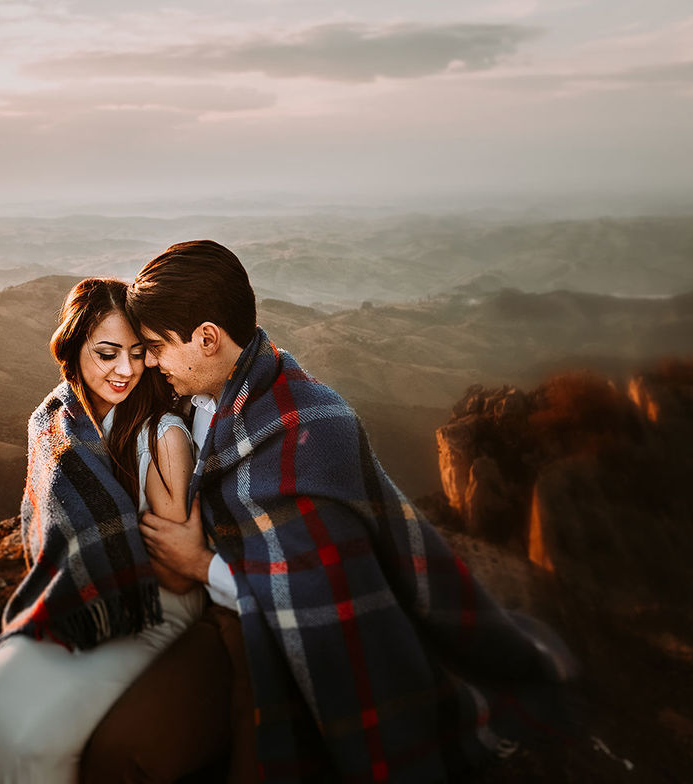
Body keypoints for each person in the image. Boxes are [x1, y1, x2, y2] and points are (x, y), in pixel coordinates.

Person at [82, 241, 577, 783]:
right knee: (110, 752)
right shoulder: (186, 393)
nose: (150, 362)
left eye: (156, 347)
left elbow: (321, 590)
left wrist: (200, 563)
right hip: (207, 619)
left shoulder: (314, 427)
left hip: (262, 628)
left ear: (206, 338)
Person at [0, 277, 205, 783]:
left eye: (138, 353)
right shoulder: (59, 420)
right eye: (107, 353)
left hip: (151, 604)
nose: (125, 370)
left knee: (34, 740)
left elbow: (177, 575)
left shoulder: (160, 436)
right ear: (73, 347)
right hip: (79, 590)